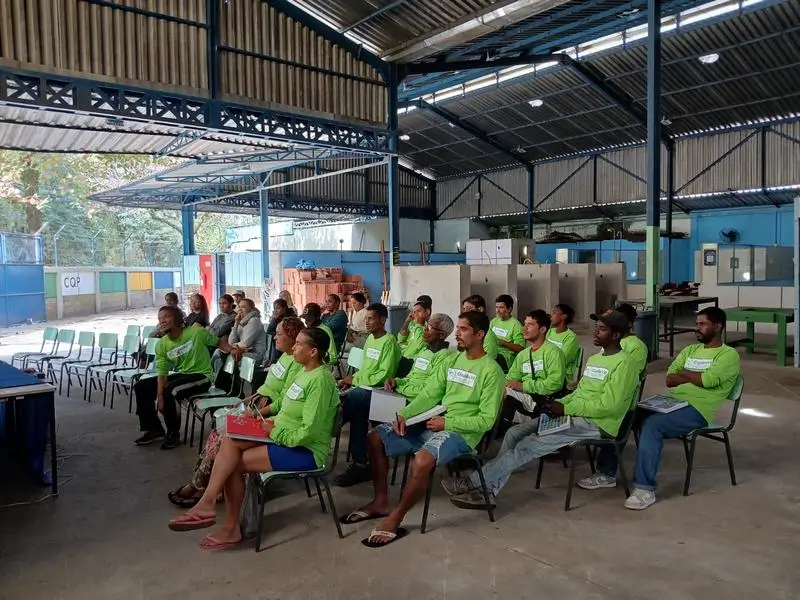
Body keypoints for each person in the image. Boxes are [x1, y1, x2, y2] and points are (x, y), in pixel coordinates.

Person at [443, 311, 638, 509]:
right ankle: (489, 490)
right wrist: (560, 404)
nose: (596, 332)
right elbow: (581, 393)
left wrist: (566, 407)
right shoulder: (596, 358)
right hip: (574, 414)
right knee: (514, 432)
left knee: (527, 445)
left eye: (602, 329)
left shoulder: (625, 364)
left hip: (597, 423)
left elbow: (609, 406)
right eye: (596, 327)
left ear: (616, 335)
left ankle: (475, 482)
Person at [341, 311, 504, 548]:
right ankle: (380, 501)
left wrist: (447, 423)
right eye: (457, 327)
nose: (457, 333)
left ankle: (396, 517)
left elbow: (486, 421)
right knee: (375, 437)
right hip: (433, 421)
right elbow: (430, 394)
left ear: (480, 334)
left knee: (422, 460)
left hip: (461, 433)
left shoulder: (491, 371)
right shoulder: (452, 361)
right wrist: (404, 415)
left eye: (464, 329)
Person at [168, 328, 340, 550]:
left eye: (298, 344)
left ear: (313, 351)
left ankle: (227, 525)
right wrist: (262, 414)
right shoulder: (302, 371)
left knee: (234, 465)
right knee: (229, 439)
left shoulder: (321, 380)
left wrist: (274, 432)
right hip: (281, 433)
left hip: (304, 450)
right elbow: (284, 402)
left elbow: (310, 431)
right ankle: (208, 503)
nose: (294, 347)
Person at [167, 317, 306, 508]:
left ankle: (201, 487)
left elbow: (283, 401)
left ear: (292, 337)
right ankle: (203, 484)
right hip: (258, 405)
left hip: (268, 414)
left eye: (279, 334)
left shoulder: (298, 363)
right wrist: (248, 400)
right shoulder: (285, 356)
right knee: (217, 433)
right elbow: (267, 387)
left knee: (223, 436)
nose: (274, 337)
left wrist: (256, 413)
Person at [620, 307, 740, 511]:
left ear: (718, 326)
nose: (697, 328)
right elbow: (669, 379)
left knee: (652, 426)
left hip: (697, 409)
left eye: (702, 324)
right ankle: (605, 472)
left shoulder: (728, 355)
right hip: (669, 402)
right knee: (627, 415)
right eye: (697, 324)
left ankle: (644, 489)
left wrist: (685, 374)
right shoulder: (690, 350)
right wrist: (694, 375)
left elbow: (707, 380)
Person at [134, 305, 233, 450]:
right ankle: (154, 429)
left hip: (202, 376)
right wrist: (159, 396)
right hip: (183, 375)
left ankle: (173, 433)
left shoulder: (196, 333)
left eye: (166, 317)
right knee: (141, 386)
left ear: (178, 319)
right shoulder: (162, 344)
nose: (162, 321)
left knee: (170, 391)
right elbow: (162, 372)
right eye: (159, 319)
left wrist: (234, 349)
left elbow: (218, 343)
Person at [335, 303, 401, 487]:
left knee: (356, 399)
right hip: (364, 387)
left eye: (371, 318)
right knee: (357, 409)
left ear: (382, 320)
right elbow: (364, 370)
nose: (367, 322)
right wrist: (351, 379)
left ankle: (337, 420)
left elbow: (383, 376)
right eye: (366, 319)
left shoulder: (389, 342)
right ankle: (360, 463)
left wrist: (354, 381)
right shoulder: (371, 340)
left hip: (381, 391)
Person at [500, 309, 566, 430]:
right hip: (523, 397)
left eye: (530, 325)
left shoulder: (554, 352)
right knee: (496, 390)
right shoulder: (523, 355)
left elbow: (555, 384)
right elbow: (511, 378)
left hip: (542, 401)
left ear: (542, 329)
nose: (524, 328)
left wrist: (523, 386)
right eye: (524, 324)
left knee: (503, 395)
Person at [384, 313, 455, 403]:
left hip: (414, 400)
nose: (424, 329)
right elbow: (410, 377)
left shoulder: (444, 357)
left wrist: (400, 389)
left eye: (429, 327)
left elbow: (429, 389)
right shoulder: (425, 351)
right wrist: (396, 382)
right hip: (403, 393)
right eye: (427, 325)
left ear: (441, 335)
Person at [212, 298, 267, 373]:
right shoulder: (242, 321)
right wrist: (236, 323)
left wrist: (233, 347)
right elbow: (231, 341)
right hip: (242, 350)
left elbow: (245, 343)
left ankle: (225, 382)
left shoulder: (254, 320)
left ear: (251, 309)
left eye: (243, 307)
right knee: (218, 352)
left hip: (256, 354)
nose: (240, 310)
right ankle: (216, 379)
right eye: (239, 307)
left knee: (232, 356)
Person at [592, 303, 648, 375]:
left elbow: (633, 374)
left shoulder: (638, 346)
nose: (596, 331)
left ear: (629, 324)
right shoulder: (609, 342)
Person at [546, 303, 581, 382]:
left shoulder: (571, 337)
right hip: (546, 370)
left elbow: (561, 360)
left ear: (563, 316)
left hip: (561, 376)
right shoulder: (550, 331)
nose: (551, 316)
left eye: (554, 313)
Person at [490, 294, 525, 371]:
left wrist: (502, 342)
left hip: (505, 357)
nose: (497, 310)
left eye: (501, 307)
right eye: (496, 307)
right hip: (492, 351)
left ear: (509, 309)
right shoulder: (494, 321)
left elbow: (520, 348)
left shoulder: (516, 325)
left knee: (491, 360)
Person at [462, 294, 498, 360]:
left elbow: (488, 361)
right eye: (464, 309)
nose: (465, 312)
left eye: (469, 308)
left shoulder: (488, 335)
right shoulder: (467, 332)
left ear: (480, 309)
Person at [265, 298, 289, 364]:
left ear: (284, 309)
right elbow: (269, 332)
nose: (275, 311)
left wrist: (274, 320)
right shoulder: (277, 319)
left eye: (278, 308)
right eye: (274, 309)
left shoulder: (288, 320)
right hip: (276, 347)